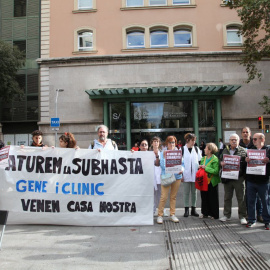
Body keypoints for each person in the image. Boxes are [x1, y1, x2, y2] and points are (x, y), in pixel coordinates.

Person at [219, 133, 247, 225]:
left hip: (239, 178)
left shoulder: (243, 151)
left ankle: (242, 216)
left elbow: (246, 164)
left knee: (241, 197)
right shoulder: (225, 150)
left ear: (239, 141)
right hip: (228, 178)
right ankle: (227, 215)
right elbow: (220, 161)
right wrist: (221, 163)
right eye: (232, 140)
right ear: (229, 141)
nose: (234, 141)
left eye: (236, 139)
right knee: (227, 197)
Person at [157, 136, 184, 224]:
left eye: (173, 142)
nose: (171, 144)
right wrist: (164, 158)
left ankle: (172, 214)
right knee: (163, 197)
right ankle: (160, 215)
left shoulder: (178, 152)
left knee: (173, 197)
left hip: (177, 177)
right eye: (170, 142)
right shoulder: (163, 153)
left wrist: (182, 170)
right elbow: (162, 166)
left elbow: (182, 164)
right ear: (166, 143)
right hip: (166, 177)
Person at [245, 133, 270, 230]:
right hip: (251, 180)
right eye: (253, 139)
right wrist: (246, 160)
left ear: (262, 139)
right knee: (251, 201)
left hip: (263, 181)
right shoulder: (251, 150)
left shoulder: (268, 150)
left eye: (255, 139)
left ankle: (267, 221)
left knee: (265, 201)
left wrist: (268, 161)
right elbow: (245, 162)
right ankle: (251, 220)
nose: (253, 140)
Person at [239, 127, 263, 223]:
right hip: (244, 174)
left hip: (256, 173)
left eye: (247, 132)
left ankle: (260, 214)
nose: (245, 134)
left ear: (250, 133)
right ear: (241, 134)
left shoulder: (254, 144)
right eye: (243, 132)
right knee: (248, 196)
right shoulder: (239, 144)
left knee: (259, 196)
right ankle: (249, 214)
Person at [182, 133, 202, 218]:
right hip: (185, 174)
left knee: (194, 192)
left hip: (195, 174)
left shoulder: (196, 149)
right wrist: (181, 174)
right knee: (186, 193)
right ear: (188, 140)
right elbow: (179, 162)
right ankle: (186, 210)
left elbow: (200, 161)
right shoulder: (182, 149)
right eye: (192, 140)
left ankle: (193, 209)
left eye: (194, 140)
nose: (194, 142)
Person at [199, 143, 220, 219]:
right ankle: (205, 213)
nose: (204, 149)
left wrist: (205, 168)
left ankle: (214, 214)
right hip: (204, 181)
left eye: (206, 148)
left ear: (210, 150)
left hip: (212, 181)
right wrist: (200, 167)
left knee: (213, 198)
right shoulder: (203, 158)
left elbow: (216, 171)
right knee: (204, 197)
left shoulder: (215, 159)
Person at [150, 136, 162, 215]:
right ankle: (153, 210)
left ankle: (161, 210)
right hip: (151, 175)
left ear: (159, 143)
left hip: (160, 176)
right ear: (151, 143)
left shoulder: (162, 152)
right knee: (152, 195)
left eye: (157, 141)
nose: (156, 143)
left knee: (161, 194)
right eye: (154, 141)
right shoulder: (148, 153)